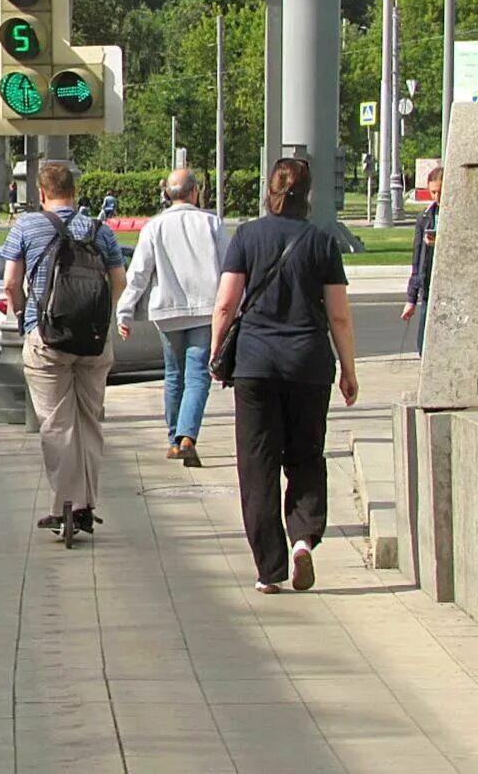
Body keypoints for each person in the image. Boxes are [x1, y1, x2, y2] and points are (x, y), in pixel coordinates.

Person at [210, 158, 359, 595]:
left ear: (268, 192)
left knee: (257, 466)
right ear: (308, 195)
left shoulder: (248, 236)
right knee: (306, 455)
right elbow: (339, 315)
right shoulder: (321, 242)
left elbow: (225, 303)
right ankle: (303, 541)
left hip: (255, 366)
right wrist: (348, 369)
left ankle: (269, 569)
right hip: (309, 364)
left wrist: (217, 351)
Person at [2, 163, 127, 538]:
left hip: (46, 337)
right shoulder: (99, 230)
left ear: (41, 193)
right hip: (92, 340)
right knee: (90, 421)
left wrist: (24, 315)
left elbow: (10, 282)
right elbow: (118, 280)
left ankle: (66, 507)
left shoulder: (26, 227)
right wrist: (99, 318)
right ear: (74, 191)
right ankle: (86, 505)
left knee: (57, 425)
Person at [116, 169, 226, 467]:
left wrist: (124, 311)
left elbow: (138, 274)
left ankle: (174, 437)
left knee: (174, 375)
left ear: (168, 194)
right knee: (197, 375)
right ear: (195, 193)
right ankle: (186, 437)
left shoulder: (154, 227)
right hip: (205, 309)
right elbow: (228, 269)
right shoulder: (211, 223)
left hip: (166, 311)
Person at [404, 165, 444, 354]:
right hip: (428, 286)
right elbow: (417, 260)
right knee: (424, 345)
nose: (437, 197)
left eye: (441, 192)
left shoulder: (456, 215)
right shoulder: (425, 217)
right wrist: (411, 298)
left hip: (447, 284)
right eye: (433, 192)